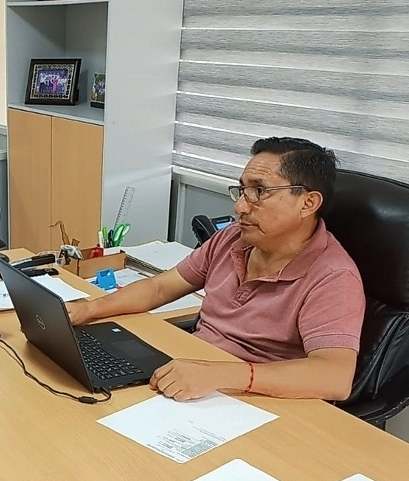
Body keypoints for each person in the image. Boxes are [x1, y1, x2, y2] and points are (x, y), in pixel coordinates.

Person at [67, 136, 364, 402]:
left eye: (260, 191)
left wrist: (220, 375)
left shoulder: (333, 277)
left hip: (255, 400)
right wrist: (89, 309)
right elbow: (159, 287)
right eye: (243, 190)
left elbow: (334, 378)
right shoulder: (233, 238)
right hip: (192, 375)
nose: (240, 207)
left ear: (308, 203)